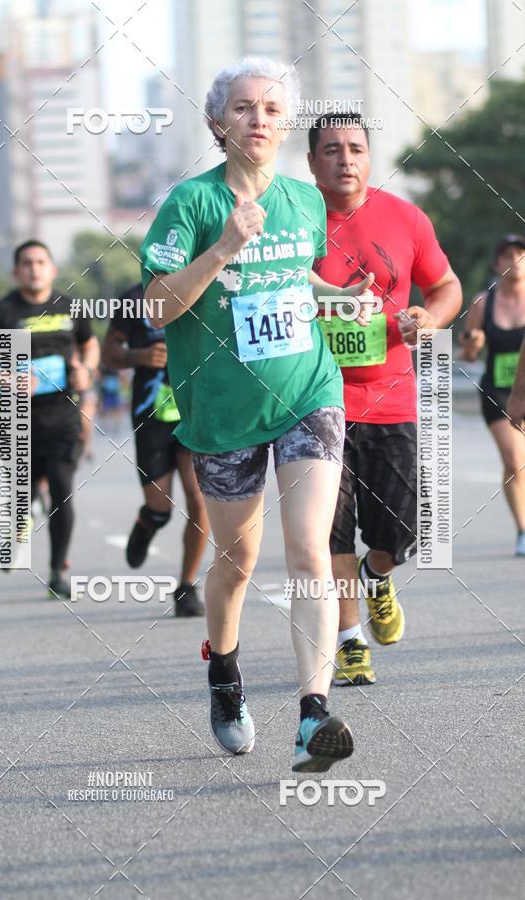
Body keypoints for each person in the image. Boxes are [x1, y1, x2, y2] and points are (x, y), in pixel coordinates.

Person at [141, 57, 375, 771]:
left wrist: (333, 298)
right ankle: (225, 673)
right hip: (223, 410)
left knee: (309, 550)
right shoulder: (191, 204)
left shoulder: (306, 202)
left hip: (309, 391)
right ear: (219, 122)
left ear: (286, 123)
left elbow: (290, 274)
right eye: (244, 108)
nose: (259, 120)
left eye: (272, 109)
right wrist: (223, 248)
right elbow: (156, 306)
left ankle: (312, 713)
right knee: (237, 559)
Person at [308, 113, 462, 686]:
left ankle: (380, 576)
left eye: (355, 148)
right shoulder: (294, 222)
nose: (345, 159)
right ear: (310, 162)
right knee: (331, 529)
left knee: (401, 528)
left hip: (392, 398)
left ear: (369, 158)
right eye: (331, 150)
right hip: (316, 399)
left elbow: (446, 286)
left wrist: (431, 316)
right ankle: (348, 639)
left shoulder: (404, 217)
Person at [0, 240, 100, 596]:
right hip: (17, 418)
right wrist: (6, 378)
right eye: (26, 263)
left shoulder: (70, 308)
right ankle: (17, 528)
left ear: (52, 269)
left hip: (62, 416)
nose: (34, 268)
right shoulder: (2, 312)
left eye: (41, 261)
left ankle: (58, 571)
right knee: (21, 495)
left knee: (61, 489)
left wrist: (85, 370)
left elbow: (90, 344)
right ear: (16, 272)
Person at [102, 283, 209, 617]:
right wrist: (138, 356)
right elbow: (109, 352)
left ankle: (187, 586)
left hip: (197, 409)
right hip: (151, 414)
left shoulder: (205, 287)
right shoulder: (133, 298)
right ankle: (149, 521)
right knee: (160, 507)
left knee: (199, 498)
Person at [460, 234, 525, 556]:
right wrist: (473, 344)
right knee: (515, 460)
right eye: (507, 255)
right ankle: (523, 531)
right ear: (497, 264)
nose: (515, 260)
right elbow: (469, 354)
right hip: (498, 391)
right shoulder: (482, 303)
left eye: (521, 253)